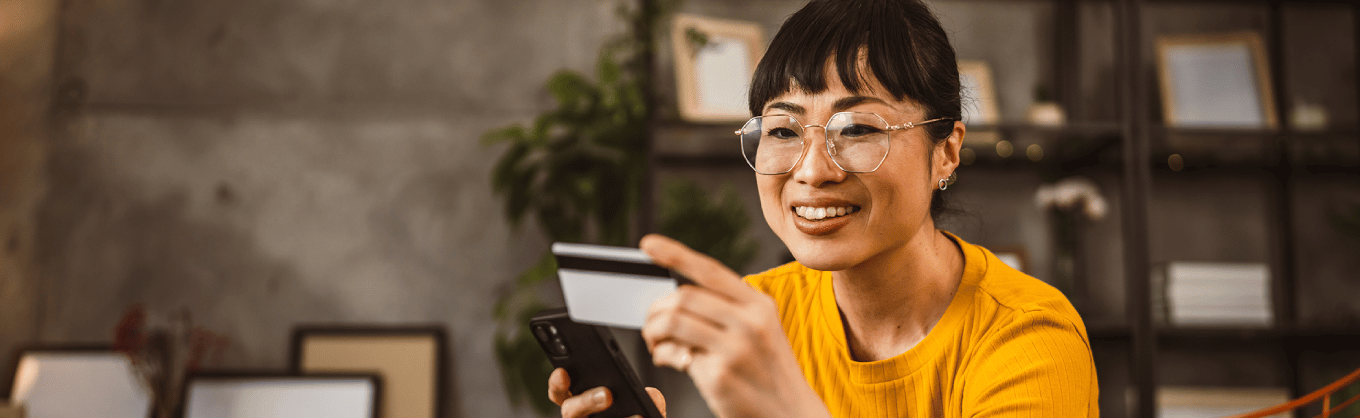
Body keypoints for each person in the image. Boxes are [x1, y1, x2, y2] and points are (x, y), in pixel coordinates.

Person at [548, 0, 1099, 416]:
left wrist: (785, 404)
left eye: (857, 128)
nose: (813, 171)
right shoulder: (767, 309)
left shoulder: (1030, 339)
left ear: (947, 150)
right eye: (784, 129)